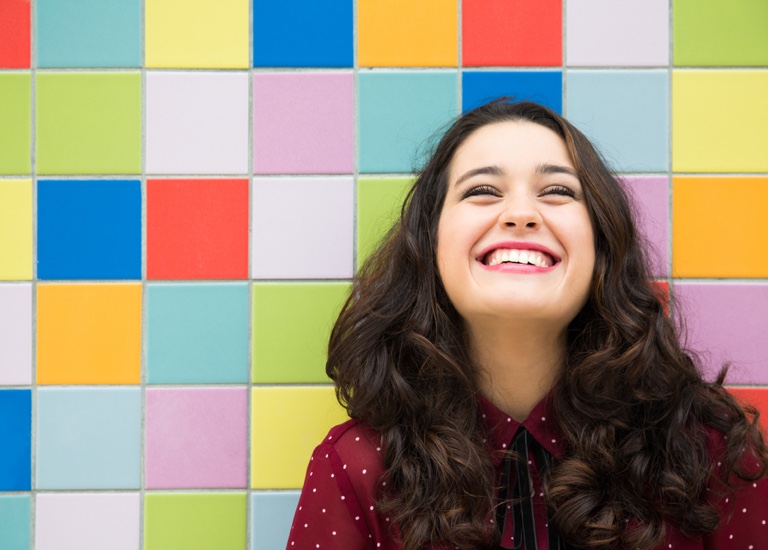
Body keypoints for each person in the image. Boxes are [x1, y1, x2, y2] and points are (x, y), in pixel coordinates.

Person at [287, 99, 768, 549]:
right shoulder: (354, 467)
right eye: (481, 191)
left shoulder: (714, 455)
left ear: (602, 245)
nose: (520, 214)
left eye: (558, 191)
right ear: (430, 245)